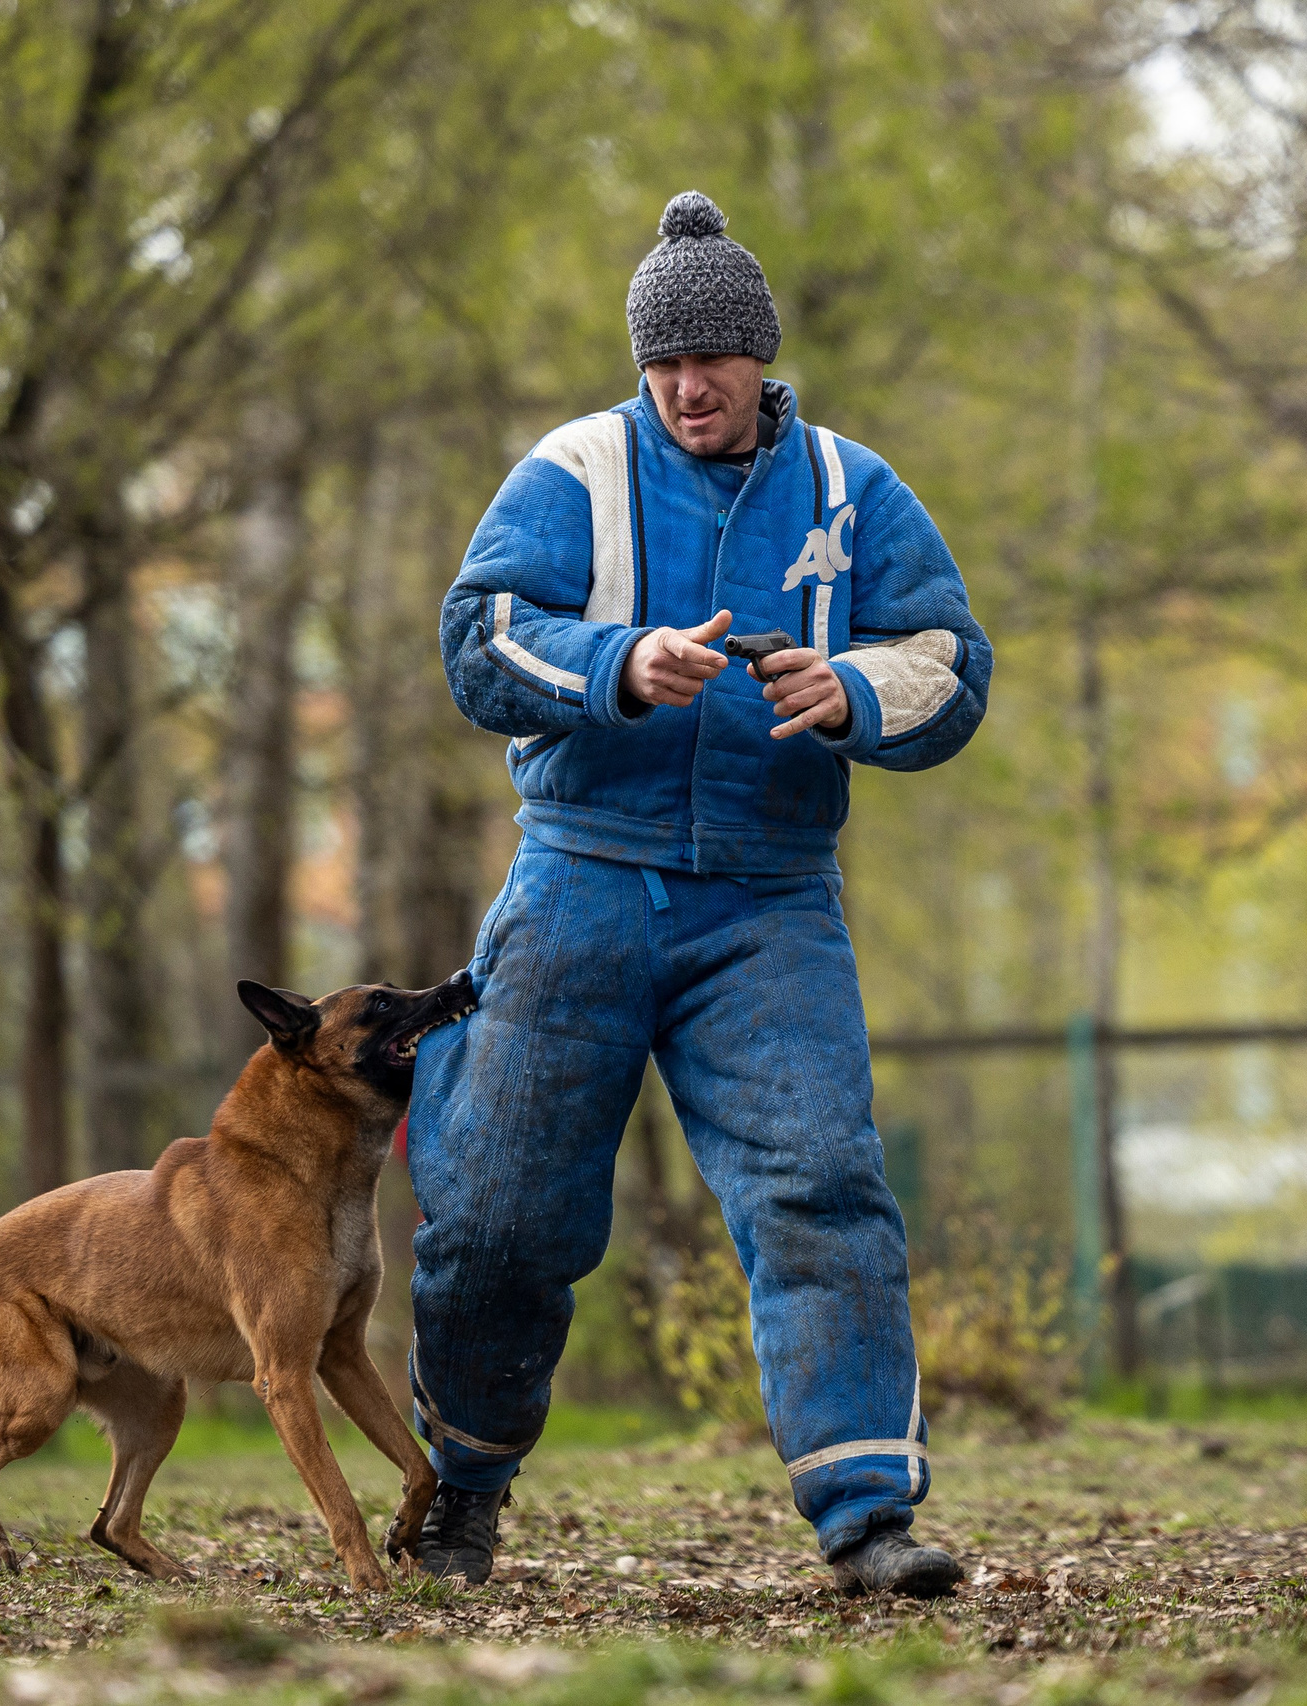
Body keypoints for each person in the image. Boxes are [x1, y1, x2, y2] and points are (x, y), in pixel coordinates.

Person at [404, 190, 994, 1598]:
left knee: (822, 1185)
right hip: (580, 880)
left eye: (714, 360)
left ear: (760, 355)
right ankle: (461, 1490)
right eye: (665, 362)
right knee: (497, 1208)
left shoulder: (854, 489)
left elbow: (953, 661)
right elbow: (479, 637)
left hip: (769, 900)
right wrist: (617, 663)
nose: (688, 386)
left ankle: (867, 1518)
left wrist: (849, 691)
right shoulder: (575, 469)